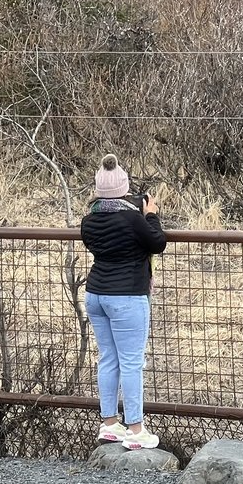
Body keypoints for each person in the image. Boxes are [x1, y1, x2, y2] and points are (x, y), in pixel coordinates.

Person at [81, 153, 166, 450]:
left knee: (108, 358)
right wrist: (151, 214)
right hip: (127, 296)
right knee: (131, 363)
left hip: (96, 294)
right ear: (124, 187)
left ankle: (109, 424)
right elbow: (157, 242)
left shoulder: (89, 219)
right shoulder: (132, 218)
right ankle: (135, 429)